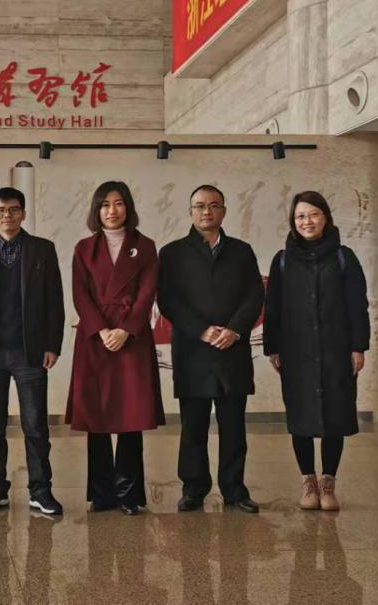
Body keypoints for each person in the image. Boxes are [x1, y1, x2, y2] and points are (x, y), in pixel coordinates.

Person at [158, 184, 264, 514]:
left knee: (233, 427)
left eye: (214, 205)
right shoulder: (172, 253)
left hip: (232, 349)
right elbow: (168, 301)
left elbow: (254, 295)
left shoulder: (242, 251)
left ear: (224, 211)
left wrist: (234, 330)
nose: (207, 211)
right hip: (193, 351)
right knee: (193, 427)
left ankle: (234, 490)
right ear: (190, 211)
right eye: (200, 206)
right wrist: (202, 330)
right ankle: (193, 488)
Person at [0, 187, 66, 516]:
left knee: (35, 425)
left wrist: (52, 344)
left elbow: (55, 301)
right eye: (1, 210)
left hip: (29, 352)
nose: (7, 215)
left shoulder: (42, 249)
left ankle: (40, 490)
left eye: (14, 209)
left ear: (23, 213)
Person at [263, 191, 369, 512]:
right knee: (301, 416)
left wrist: (358, 347)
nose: (306, 221)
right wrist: (273, 347)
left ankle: (328, 483)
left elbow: (357, 305)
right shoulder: (283, 260)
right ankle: (308, 482)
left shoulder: (344, 257)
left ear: (325, 217)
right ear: (293, 221)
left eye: (313, 214)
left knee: (335, 415)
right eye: (300, 216)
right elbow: (273, 308)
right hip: (296, 351)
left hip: (336, 350)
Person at [65, 180, 164, 516]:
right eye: (105, 205)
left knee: (130, 416)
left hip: (131, 338)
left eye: (118, 203)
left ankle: (129, 494)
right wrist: (103, 330)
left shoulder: (145, 246)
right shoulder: (83, 248)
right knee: (97, 417)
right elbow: (80, 294)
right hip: (95, 338)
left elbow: (147, 294)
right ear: (97, 210)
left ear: (128, 207)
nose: (112, 210)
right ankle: (102, 493)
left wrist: (125, 330)